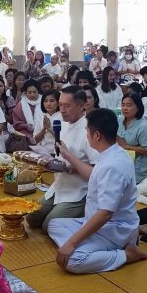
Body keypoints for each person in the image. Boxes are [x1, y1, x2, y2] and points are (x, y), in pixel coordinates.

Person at [48, 108, 147, 274]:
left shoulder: (112, 166)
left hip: (111, 230)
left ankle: (126, 254)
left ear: (97, 135)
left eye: (87, 131)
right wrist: (67, 154)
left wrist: (72, 243)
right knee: (54, 224)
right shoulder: (114, 153)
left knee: (73, 261)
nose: (86, 135)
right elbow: (94, 175)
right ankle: (90, 245)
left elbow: (105, 214)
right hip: (95, 222)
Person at [26, 86, 99, 233]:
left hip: (79, 190)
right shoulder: (62, 124)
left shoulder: (89, 130)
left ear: (81, 106)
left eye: (67, 106)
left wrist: (71, 165)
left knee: (49, 226)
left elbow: (96, 172)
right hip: (59, 186)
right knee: (32, 218)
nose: (62, 110)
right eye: (60, 105)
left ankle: (89, 214)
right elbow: (58, 154)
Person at [117, 93, 147, 184]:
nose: (125, 108)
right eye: (123, 105)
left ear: (138, 107)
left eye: (129, 105)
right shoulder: (119, 120)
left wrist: (126, 146)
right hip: (121, 160)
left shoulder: (143, 126)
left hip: (138, 166)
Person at [34, 89, 62, 154]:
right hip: (42, 151)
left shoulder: (62, 116)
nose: (48, 104)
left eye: (52, 101)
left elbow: (63, 139)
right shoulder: (41, 116)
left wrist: (49, 129)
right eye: (45, 101)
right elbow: (36, 140)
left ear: (58, 103)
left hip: (57, 153)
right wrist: (44, 129)